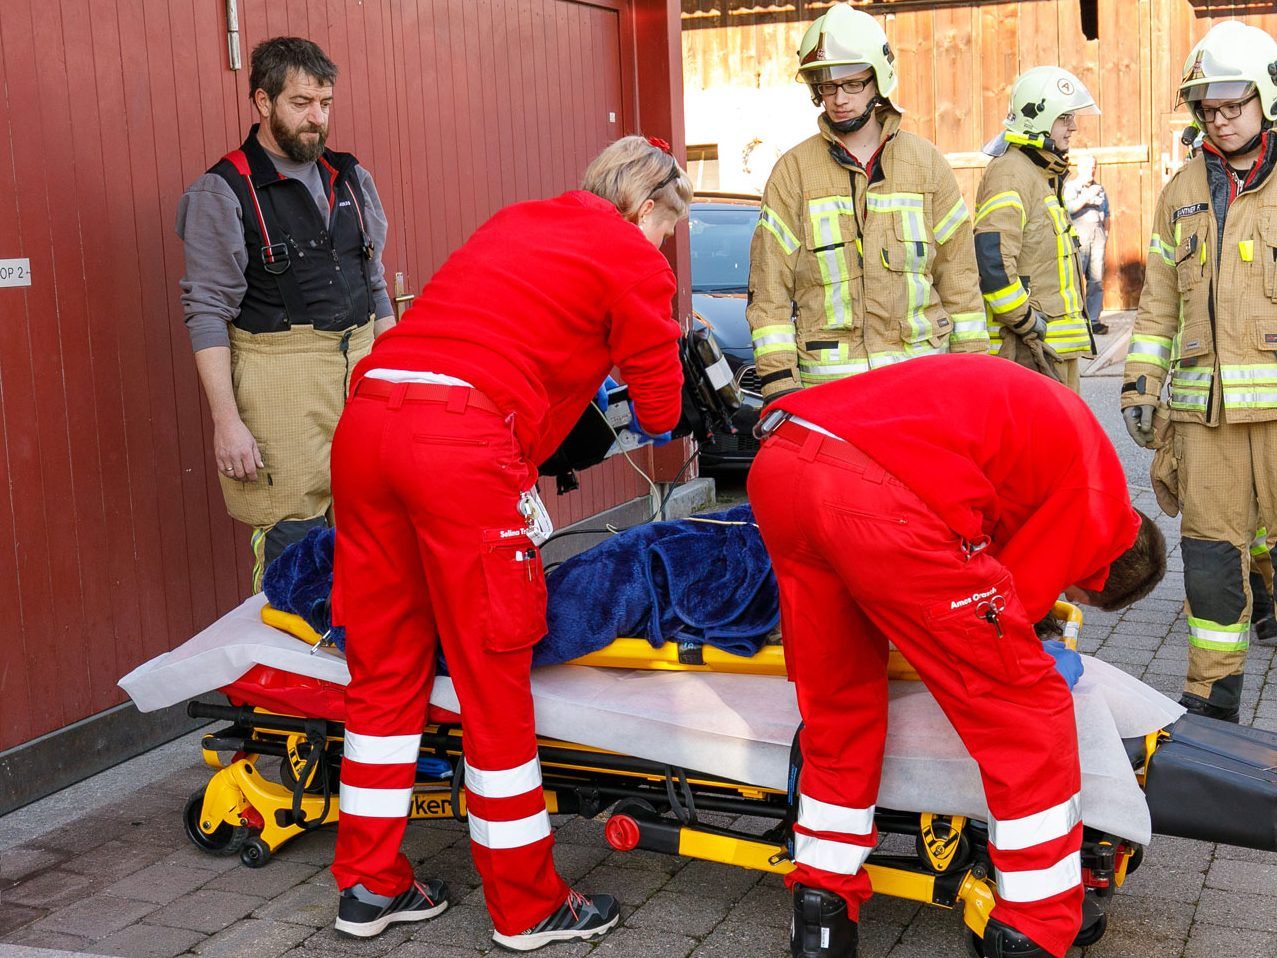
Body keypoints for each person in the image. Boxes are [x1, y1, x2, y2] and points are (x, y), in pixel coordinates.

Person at [326, 136, 689, 948]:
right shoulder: (630, 255)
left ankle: (368, 885)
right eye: (668, 225)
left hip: (369, 423)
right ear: (645, 206)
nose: (666, 241)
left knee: (384, 672)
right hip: (459, 445)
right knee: (494, 680)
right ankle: (528, 906)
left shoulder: (516, 221)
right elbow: (661, 405)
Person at [749, 354, 1166, 958]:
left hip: (786, 461)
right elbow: (1010, 606)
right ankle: (1033, 925)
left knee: (839, 701)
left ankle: (822, 908)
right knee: (1026, 708)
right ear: (1098, 576)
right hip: (875, 493)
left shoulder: (1068, 440)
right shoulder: (1098, 512)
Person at [177, 37, 396, 591]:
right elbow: (206, 312)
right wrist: (227, 423)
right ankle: (284, 670)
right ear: (262, 102)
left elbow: (375, 286)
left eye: (324, 103)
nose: (316, 118)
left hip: (362, 361)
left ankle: (356, 662)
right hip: (279, 378)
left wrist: (396, 382)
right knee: (292, 546)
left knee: (372, 524)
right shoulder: (222, 190)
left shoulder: (350, 179)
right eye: (300, 103)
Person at [1122, 21, 1277, 723]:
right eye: (1206, 108)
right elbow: (1156, 300)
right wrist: (1138, 385)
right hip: (1204, 426)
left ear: (1265, 97)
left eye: (1231, 105)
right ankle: (1211, 715)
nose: (1218, 119)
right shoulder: (1180, 189)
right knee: (1212, 572)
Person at [746, 3, 987, 405]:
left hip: (921, 385)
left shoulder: (926, 165)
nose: (838, 98)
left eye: (852, 84)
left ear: (878, 80)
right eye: (826, 86)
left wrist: (975, 373)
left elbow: (960, 278)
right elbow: (769, 289)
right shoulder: (793, 173)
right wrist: (780, 386)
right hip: (832, 396)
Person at [975, 67, 1099, 390]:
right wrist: (1028, 323)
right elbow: (994, 265)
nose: (1073, 127)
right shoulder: (1010, 174)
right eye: (1065, 118)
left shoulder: (1039, 174)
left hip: (1052, 355)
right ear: (1039, 118)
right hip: (1029, 355)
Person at [1064, 154, 1110, 335]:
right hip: (1079, 235)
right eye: (1088, 167)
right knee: (1075, 279)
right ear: (1079, 168)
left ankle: (1093, 320)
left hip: (1097, 234)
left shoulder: (1100, 188)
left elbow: (1107, 213)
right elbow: (1068, 209)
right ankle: (1076, 320)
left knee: (1096, 280)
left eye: (1094, 167)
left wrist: (1105, 234)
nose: (1091, 170)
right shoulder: (1071, 187)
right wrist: (1087, 197)